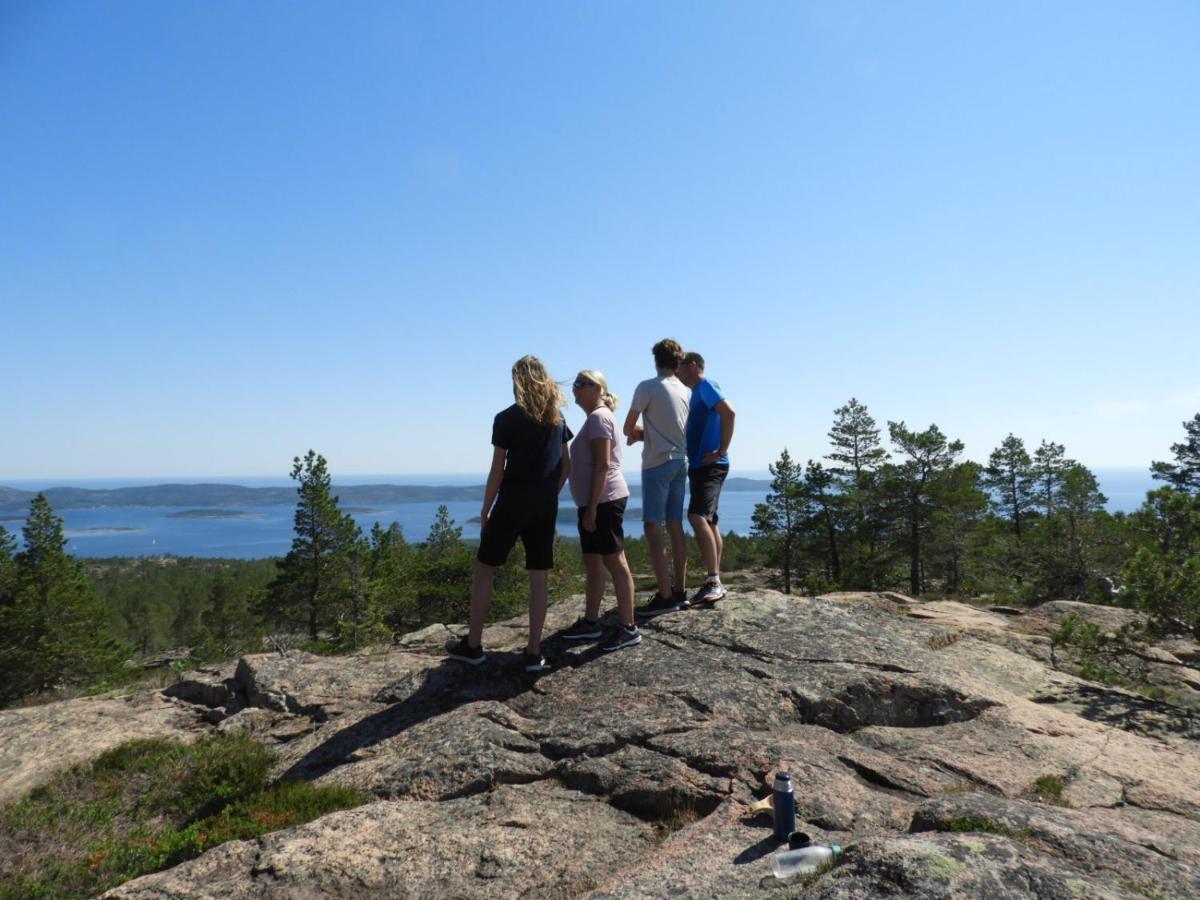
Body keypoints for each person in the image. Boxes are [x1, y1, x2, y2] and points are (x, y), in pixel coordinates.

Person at [448, 355, 571, 673]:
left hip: (513, 501)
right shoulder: (557, 420)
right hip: (544, 505)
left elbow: (497, 470)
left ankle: (473, 646)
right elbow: (565, 467)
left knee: (485, 569)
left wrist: (485, 507)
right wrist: (548, 495)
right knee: (539, 578)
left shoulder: (506, 419)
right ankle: (533, 653)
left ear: (518, 381)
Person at [559, 370, 642, 651]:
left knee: (615, 562)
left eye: (582, 384)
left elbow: (603, 465)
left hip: (604, 501)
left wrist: (592, 508)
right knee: (593, 564)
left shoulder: (598, 417)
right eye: (575, 384)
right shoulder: (596, 418)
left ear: (599, 388)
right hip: (594, 503)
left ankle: (628, 628)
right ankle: (591, 623)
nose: (576, 389)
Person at [623, 338, 692, 618]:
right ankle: (681, 590)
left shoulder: (647, 387)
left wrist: (640, 435)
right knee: (675, 525)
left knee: (653, 528)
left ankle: (664, 596)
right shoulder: (686, 391)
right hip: (681, 462)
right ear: (678, 362)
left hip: (657, 463)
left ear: (656, 360)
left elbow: (629, 427)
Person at [677, 351, 735, 606]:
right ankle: (714, 578)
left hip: (711, 465)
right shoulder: (695, 393)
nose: (676, 372)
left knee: (696, 516)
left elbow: (729, 412)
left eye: (679, 366)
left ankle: (714, 582)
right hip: (701, 465)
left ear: (692, 366)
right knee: (709, 521)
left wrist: (721, 450)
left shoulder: (706, 385)